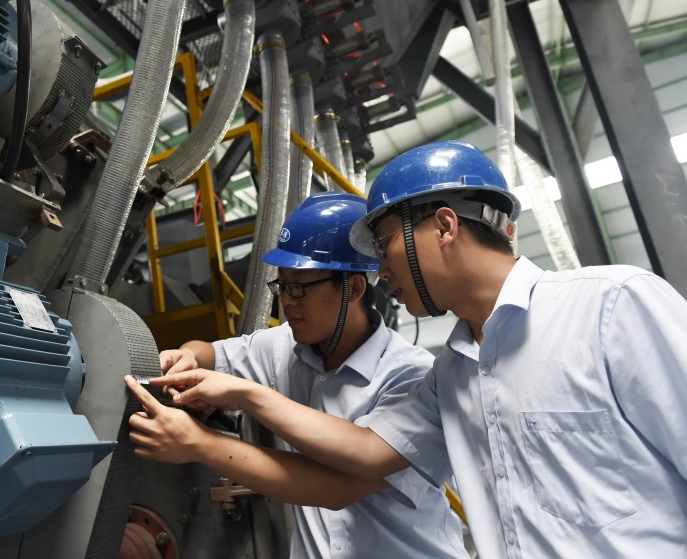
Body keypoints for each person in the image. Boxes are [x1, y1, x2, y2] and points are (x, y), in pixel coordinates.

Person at [144, 140, 687, 558]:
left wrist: (223, 417)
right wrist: (237, 394)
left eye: (383, 247)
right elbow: (369, 450)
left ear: (445, 227)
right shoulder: (453, 373)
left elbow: (344, 480)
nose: (381, 271)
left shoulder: (611, 308)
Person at [127, 192, 466, 558]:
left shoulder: (408, 376)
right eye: (283, 284)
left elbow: (336, 489)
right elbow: (209, 351)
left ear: (353, 287)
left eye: (300, 286)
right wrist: (186, 356)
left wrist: (202, 439)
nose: (287, 300)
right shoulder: (283, 346)